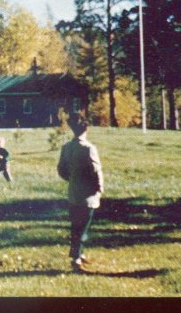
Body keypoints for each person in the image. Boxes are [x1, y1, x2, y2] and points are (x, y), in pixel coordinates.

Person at [57, 113, 103, 273]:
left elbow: (61, 170)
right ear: (86, 129)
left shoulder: (67, 148)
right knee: (83, 227)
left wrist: (72, 179)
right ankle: (76, 257)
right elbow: (96, 171)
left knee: (76, 225)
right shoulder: (89, 148)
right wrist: (99, 188)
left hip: (73, 193)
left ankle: (79, 253)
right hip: (88, 194)